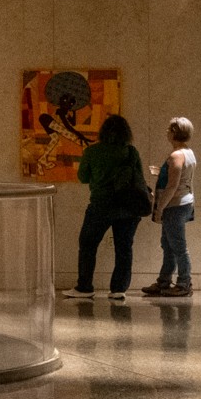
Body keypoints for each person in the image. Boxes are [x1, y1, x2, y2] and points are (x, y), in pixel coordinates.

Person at [65, 113, 146, 301]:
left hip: (101, 206)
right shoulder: (131, 152)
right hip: (127, 207)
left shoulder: (92, 152)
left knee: (88, 244)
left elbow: (83, 178)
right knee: (124, 248)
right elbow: (139, 177)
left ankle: (85, 287)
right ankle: (118, 289)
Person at [142, 117, 197, 297]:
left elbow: (172, 186)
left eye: (169, 129)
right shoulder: (188, 153)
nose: (166, 132)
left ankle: (183, 283)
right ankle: (164, 281)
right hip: (184, 202)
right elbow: (180, 178)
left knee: (178, 247)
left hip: (174, 205)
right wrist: (160, 172)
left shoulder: (176, 155)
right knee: (168, 245)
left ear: (174, 132)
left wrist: (159, 208)